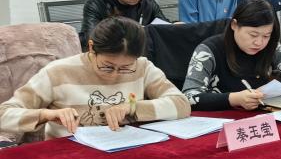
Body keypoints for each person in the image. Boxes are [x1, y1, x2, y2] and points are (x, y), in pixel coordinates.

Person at [0, 17, 190, 140]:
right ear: (91, 48)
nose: (115, 74)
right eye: (107, 66)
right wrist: (45, 115)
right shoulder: (58, 72)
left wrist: (132, 108)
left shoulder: (142, 67)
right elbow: (4, 115)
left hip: (127, 150)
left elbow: (181, 104)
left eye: (125, 68)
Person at [183, 0, 281, 111]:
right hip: (222, 122)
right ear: (234, 25)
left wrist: (267, 90)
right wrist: (234, 99)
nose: (259, 42)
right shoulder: (208, 50)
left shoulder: (271, 47)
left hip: (263, 118)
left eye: (266, 36)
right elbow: (189, 97)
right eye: (253, 35)